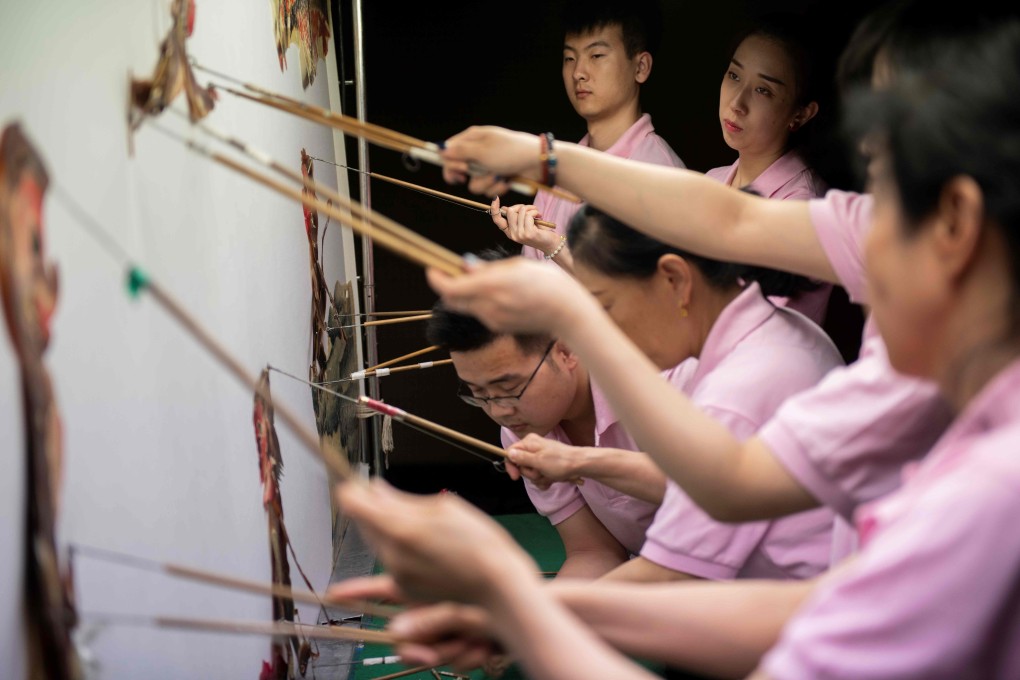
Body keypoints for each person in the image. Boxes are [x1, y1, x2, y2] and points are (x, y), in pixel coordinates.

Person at [331, 9, 1020, 677]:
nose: (858, 223)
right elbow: (760, 525)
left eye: (881, 178)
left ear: (955, 220)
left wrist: (524, 607)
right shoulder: (898, 378)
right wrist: (523, 606)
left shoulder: (987, 486)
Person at [507, 205, 840, 585]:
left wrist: (518, 615)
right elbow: (694, 487)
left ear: (675, 279)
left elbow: (674, 568)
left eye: (608, 305)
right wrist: (579, 461)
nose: (608, 330)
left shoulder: (736, 389)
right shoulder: (778, 330)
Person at [425, 251, 659, 579]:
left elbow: (713, 495)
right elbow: (593, 551)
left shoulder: (655, 387)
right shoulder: (524, 429)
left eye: (510, 387)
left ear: (565, 349)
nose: (499, 410)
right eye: (478, 394)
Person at [490, 0, 685, 272]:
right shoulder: (559, 169)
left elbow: (640, 305)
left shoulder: (660, 174)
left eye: (596, 56)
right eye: (570, 58)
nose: (578, 73)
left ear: (640, 67)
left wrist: (552, 246)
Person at [709, 13, 833, 325]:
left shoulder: (800, 210)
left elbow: (747, 329)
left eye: (763, 90)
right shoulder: (712, 182)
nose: (737, 102)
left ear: (801, 114)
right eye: (734, 76)